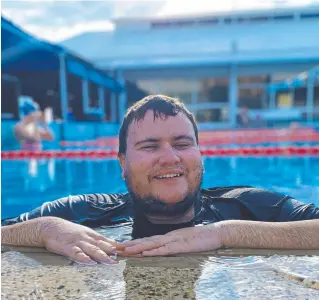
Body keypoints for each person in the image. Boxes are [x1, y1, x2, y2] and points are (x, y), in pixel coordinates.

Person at [2, 95, 319, 265]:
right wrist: (42, 229)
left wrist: (226, 233)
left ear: (199, 153)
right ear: (122, 163)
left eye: (182, 143)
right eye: (150, 146)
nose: (170, 158)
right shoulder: (78, 213)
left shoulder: (246, 205)